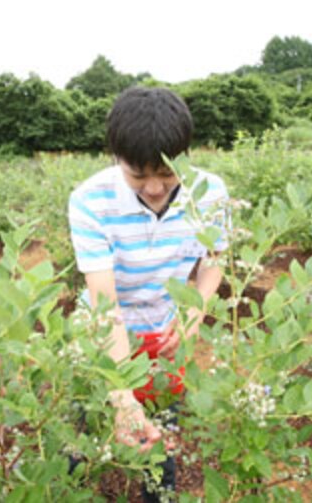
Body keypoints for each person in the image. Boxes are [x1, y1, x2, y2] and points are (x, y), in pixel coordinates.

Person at [68, 87, 228, 500]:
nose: (155, 188)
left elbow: (215, 259)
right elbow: (105, 304)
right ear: (116, 158)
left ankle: (159, 492)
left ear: (184, 155)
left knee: (162, 427)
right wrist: (122, 396)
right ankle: (73, 482)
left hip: (164, 327)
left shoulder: (210, 193)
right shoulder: (90, 200)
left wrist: (194, 314)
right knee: (88, 418)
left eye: (166, 175)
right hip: (103, 329)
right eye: (139, 176)